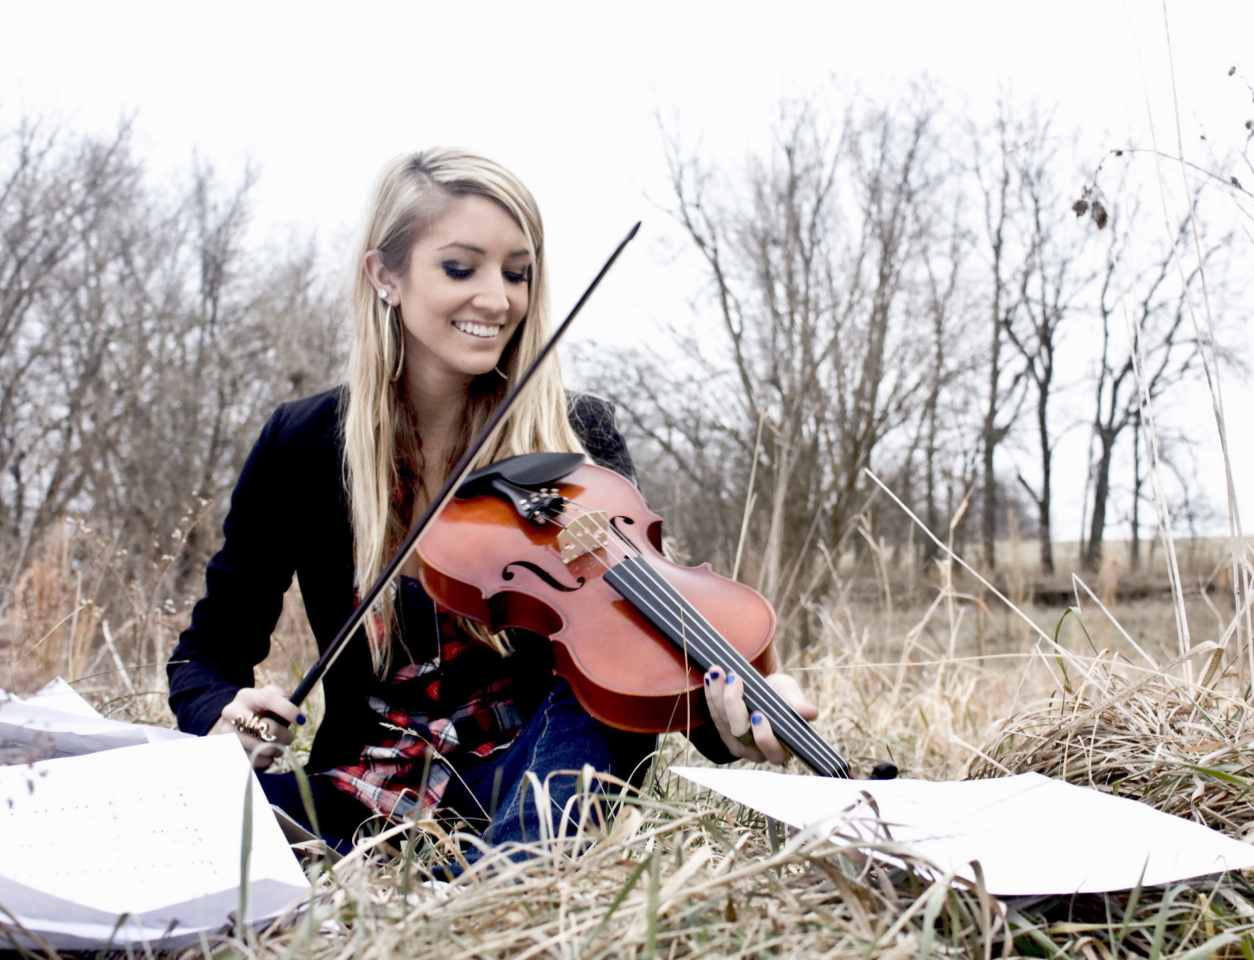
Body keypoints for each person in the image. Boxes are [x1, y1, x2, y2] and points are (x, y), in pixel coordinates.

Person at [167, 148, 817, 857]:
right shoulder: (301, 442)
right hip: (357, 788)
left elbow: (638, 649)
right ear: (384, 275)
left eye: (518, 273)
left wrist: (732, 711)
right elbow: (210, 652)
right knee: (166, 804)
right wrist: (219, 712)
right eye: (460, 267)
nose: (498, 299)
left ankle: (502, 880)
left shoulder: (580, 437)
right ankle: (469, 878)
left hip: (530, 775)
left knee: (599, 699)